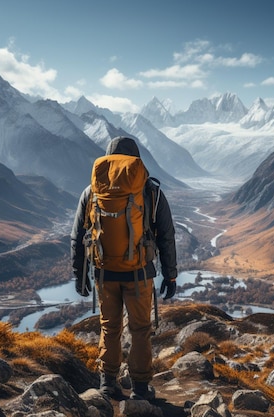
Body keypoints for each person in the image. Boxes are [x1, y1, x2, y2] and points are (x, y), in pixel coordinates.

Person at [71, 136, 178, 401]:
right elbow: (166, 234)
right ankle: (140, 388)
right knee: (140, 331)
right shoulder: (150, 191)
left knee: (110, 328)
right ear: (137, 159)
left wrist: (79, 274)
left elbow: (77, 235)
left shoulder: (92, 191)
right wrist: (171, 273)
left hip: (104, 274)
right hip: (140, 273)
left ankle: (108, 383)